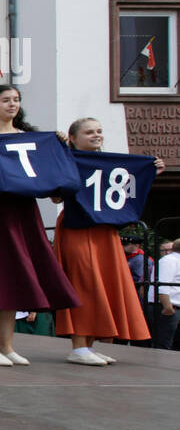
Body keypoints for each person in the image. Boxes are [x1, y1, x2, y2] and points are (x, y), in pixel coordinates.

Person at [0, 85, 80, 366]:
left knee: (12, 278)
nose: (12, 104)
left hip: (22, 212)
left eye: (16, 100)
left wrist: (59, 144)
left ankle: (7, 345)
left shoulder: (32, 138)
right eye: (5, 100)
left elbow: (52, 184)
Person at [51, 117, 162, 364]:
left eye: (99, 131)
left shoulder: (111, 162)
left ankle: (88, 345)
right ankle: (78, 346)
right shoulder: (66, 159)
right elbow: (55, 198)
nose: (96, 135)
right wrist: (60, 152)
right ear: (73, 138)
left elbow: (126, 193)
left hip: (105, 231)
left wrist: (151, 171)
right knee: (84, 283)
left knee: (103, 284)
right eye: (89, 132)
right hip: (78, 228)